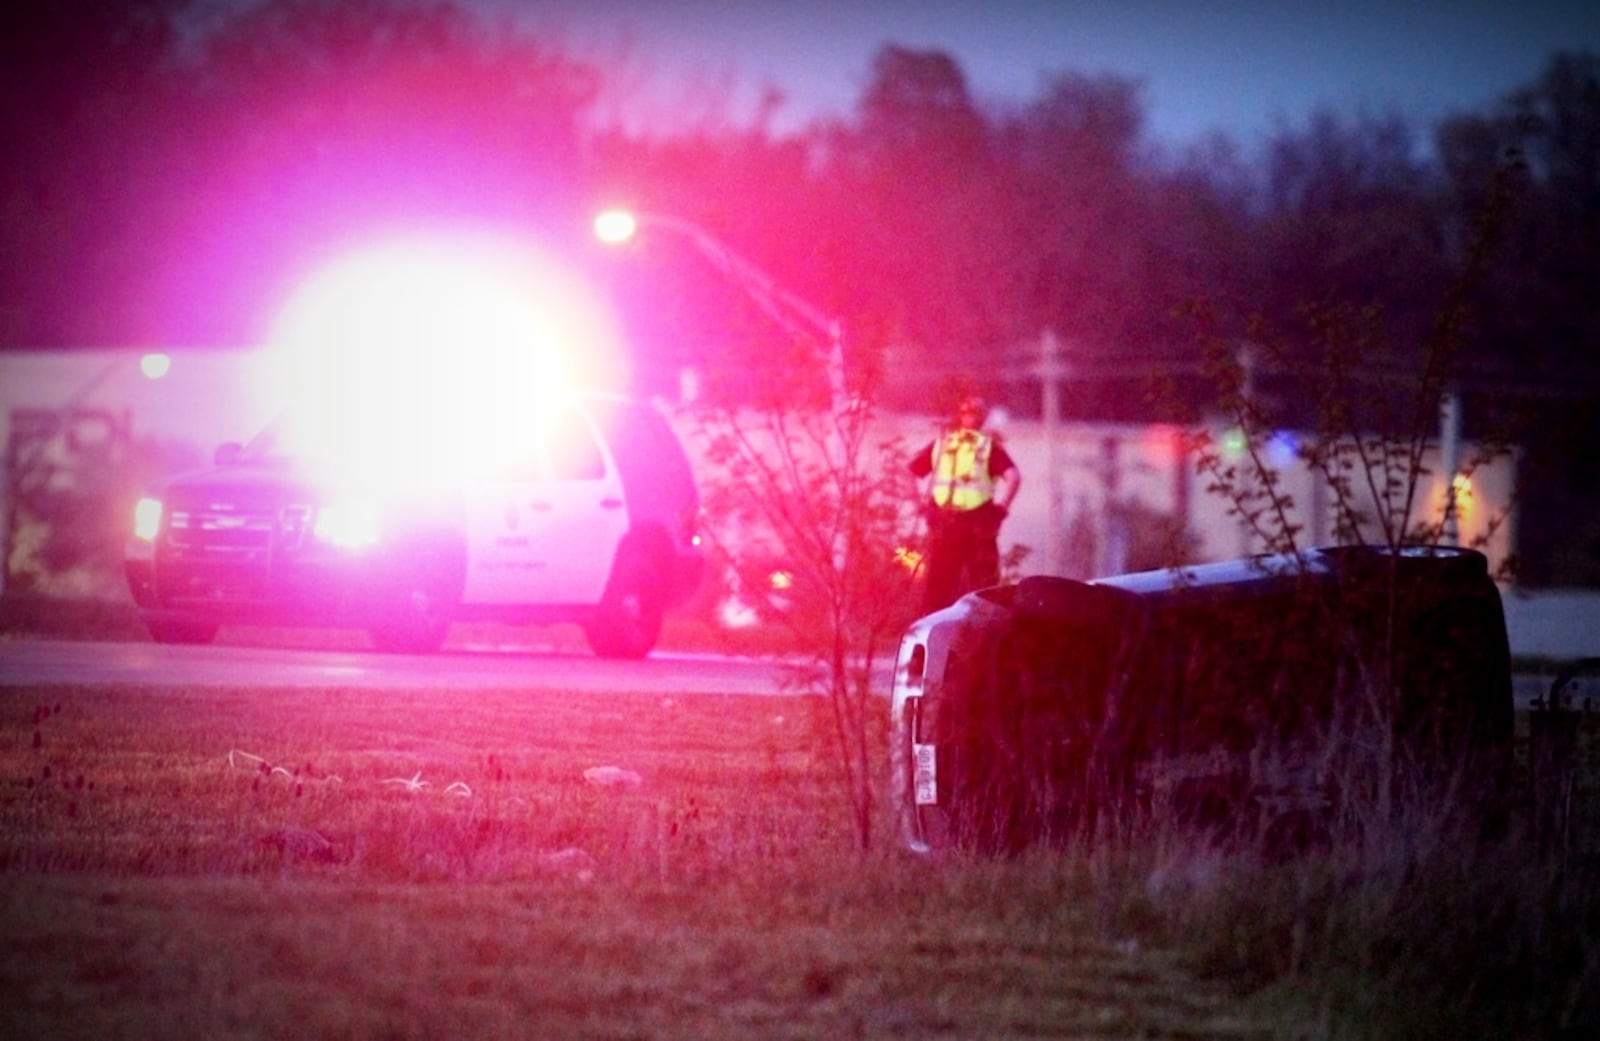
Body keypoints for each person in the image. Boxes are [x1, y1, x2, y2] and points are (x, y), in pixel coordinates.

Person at [908, 394, 1021, 612]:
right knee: (986, 589)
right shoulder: (988, 447)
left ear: (959, 417)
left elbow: (911, 471)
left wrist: (918, 505)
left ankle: (933, 634)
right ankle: (985, 635)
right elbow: (1014, 478)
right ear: (983, 419)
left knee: (936, 590)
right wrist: (1002, 509)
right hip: (978, 526)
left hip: (944, 523)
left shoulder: (942, 444)